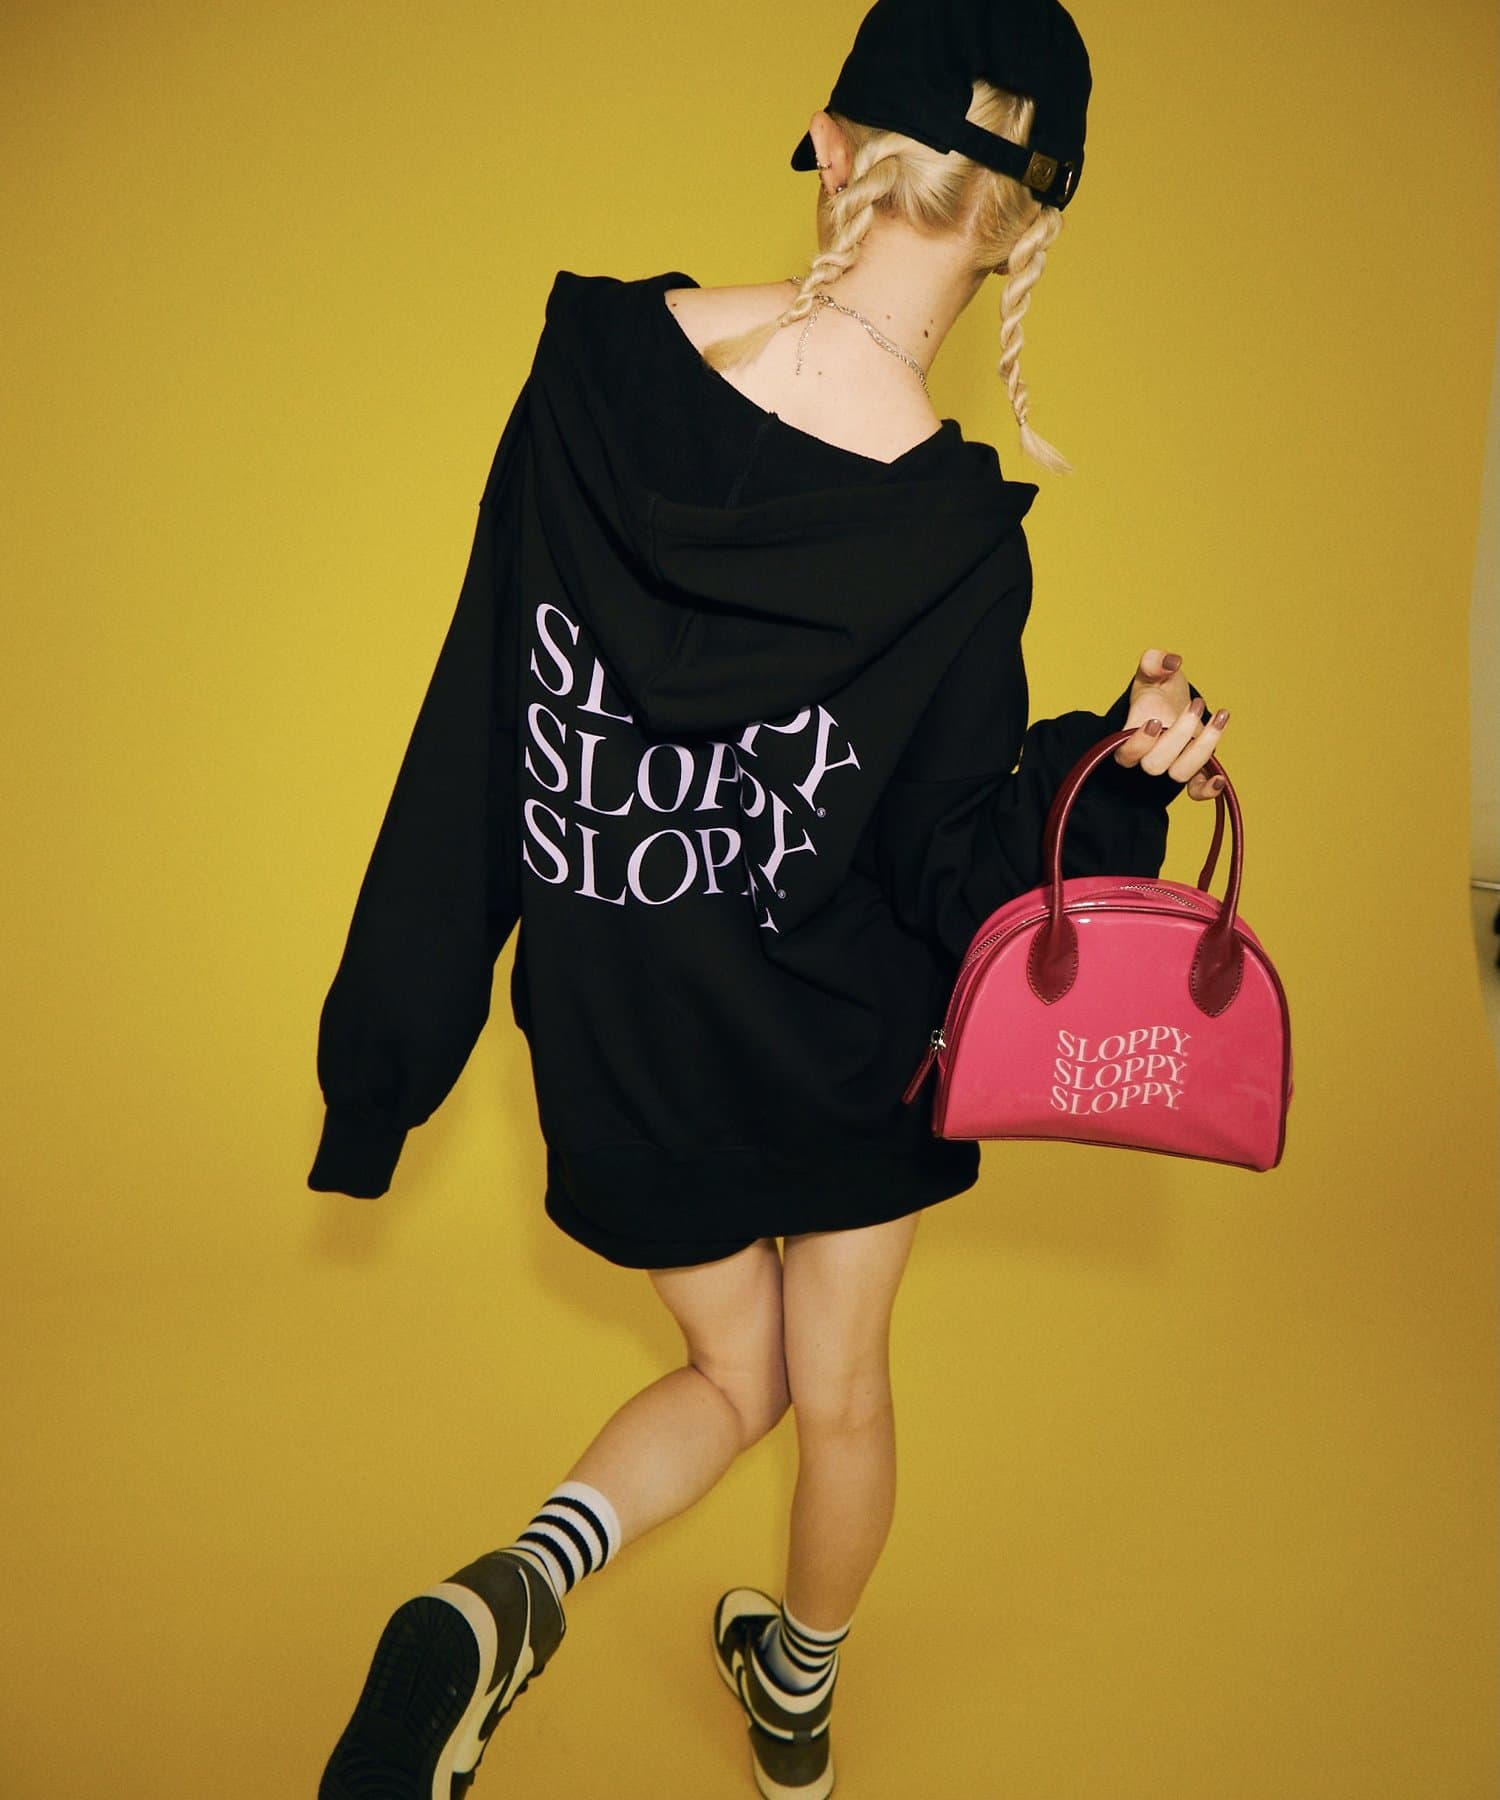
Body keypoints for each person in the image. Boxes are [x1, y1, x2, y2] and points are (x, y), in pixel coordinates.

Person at [309, 0, 1231, 1794]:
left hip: (620, 1037)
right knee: (836, 1391)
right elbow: (957, 875)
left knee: (728, 1376)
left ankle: (509, 1593)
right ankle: (793, 1707)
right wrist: (1120, 769)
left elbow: (473, 729)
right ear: (1024, 231)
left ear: (830, 143)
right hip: (840, 1050)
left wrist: (383, 1063)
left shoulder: (588, 371)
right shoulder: (953, 543)